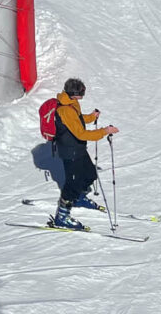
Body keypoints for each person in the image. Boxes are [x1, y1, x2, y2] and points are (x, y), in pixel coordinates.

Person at [50, 77, 119, 230]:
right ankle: (62, 216)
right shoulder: (65, 109)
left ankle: (78, 199)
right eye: (81, 93)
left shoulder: (72, 103)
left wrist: (90, 117)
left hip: (78, 148)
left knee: (89, 174)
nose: (82, 95)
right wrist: (104, 131)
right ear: (73, 94)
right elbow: (81, 133)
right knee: (72, 184)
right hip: (70, 151)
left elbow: (78, 120)